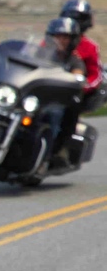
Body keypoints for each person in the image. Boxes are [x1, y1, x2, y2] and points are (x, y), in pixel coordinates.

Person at [41, 16, 86, 167]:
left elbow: (78, 75)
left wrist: (76, 77)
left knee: (55, 114)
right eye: (57, 36)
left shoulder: (74, 61)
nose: (60, 40)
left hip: (56, 100)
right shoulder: (40, 54)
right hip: (37, 96)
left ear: (72, 40)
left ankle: (51, 152)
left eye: (65, 37)